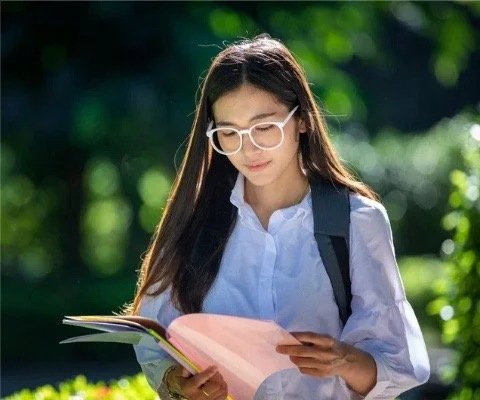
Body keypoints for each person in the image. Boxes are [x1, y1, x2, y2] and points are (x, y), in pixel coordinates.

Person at [128, 33, 430, 400]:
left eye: (264, 127)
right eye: (229, 133)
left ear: (301, 120)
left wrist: (343, 360)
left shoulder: (356, 220)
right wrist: (179, 384)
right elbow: (153, 341)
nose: (248, 148)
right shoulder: (194, 220)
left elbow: (400, 364)